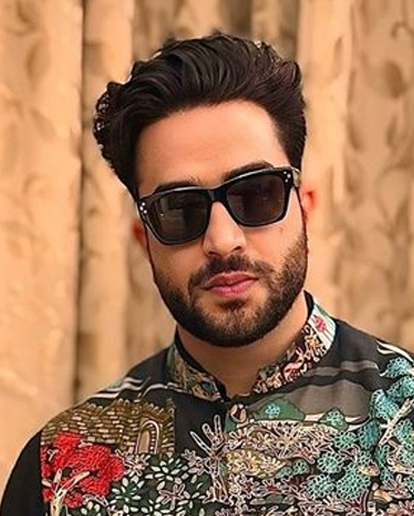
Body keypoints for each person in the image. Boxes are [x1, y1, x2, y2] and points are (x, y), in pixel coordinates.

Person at [1, 33, 414, 516]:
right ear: (144, 240)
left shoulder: (405, 417)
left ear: (305, 208)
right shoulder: (61, 468)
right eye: (180, 209)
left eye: (256, 194)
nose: (222, 239)